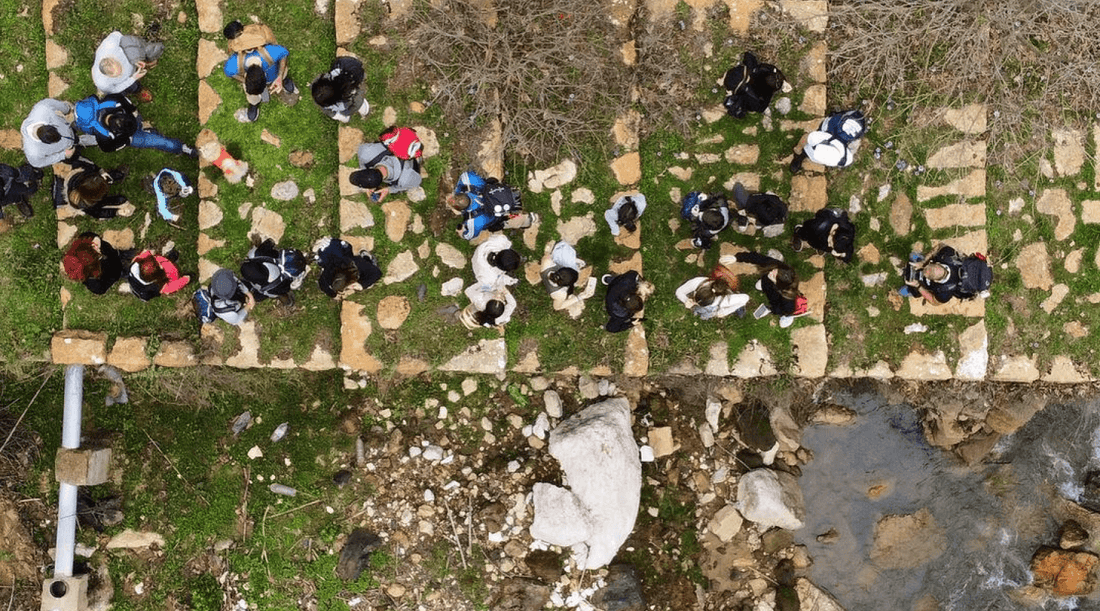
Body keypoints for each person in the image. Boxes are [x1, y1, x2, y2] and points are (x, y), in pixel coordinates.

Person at [74, 93, 197, 157]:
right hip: (130, 138)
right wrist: (127, 140)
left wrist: (133, 112)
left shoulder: (113, 100)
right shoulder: (104, 138)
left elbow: (122, 99)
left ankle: (144, 129)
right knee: (160, 142)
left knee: (155, 139)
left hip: (130, 123)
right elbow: (110, 148)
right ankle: (182, 148)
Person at [222, 20, 295, 122]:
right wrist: (246, 81)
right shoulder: (235, 63)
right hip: (254, 84)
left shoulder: (269, 53)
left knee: (283, 75)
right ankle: (254, 103)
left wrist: (280, 76)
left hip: (274, 76)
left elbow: (284, 54)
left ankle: (284, 80)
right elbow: (229, 72)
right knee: (253, 95)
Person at [449, 171, 537, 241]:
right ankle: (528, 216)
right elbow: (465, 175)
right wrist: (458, 191)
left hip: (500, 215)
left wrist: (461, 232)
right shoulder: (468, 178)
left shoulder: (472, 222)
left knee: (502, 222)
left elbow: (468, 236)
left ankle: (526, 220)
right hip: (501, 193)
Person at [734, 251, 808, 328]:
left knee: (783, 313)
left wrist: (772, 309)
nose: (772, 271)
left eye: (774, 275)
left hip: (778, 300)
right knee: (758, 286)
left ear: (779, 283)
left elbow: (780, 309)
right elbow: (758, 258)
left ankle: (787, 318)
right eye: (776, 271)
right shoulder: (780, 268)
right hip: (772, 287)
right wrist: (737, 257)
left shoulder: (788, 301)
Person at [900, 245, 992, 305]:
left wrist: (918, 286)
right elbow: (939, 247)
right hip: (935, 264)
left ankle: (913, 290)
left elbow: (934, 301)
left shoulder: (945, 292)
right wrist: (923, 262)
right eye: (928, 266)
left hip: (925, 286)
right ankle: (920, 261)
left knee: (901, 292)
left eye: (925, 274)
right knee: (912, 255)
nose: (923, 270)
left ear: (935, 281)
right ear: (938, 263)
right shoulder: (946, 254)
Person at [92, 30, 163, 102]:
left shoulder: (110, 45)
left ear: (112, 60)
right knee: (126, 90)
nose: (122, 73)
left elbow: (123, 39)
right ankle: (137, 90)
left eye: (119, 67)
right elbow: (115, 89)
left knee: (133, 45)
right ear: (109, 76)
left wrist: (135, 59)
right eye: (117, 75)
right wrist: (133, 78)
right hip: (125, 83)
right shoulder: (103, 83)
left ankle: (145, 61)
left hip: (128, 56)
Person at [51, 156, 131, 219]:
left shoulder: (79, 172)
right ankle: (115, 177)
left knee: (102, 175)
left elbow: (88, 165)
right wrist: (117, 212)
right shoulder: (87, 206)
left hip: (77, 180)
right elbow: (98, 213)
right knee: (118, 200)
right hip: (77, 194)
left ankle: (115, 175)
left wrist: (101, 172)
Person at [21, 98, 90, 168]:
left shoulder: (43, 108)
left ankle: (81, 139)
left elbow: (62, 107)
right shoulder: (33, 153)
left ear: (48, 124)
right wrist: (63, 155)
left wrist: (67, 109)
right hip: (66, 149)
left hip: (68, 129)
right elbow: (37, 163)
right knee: (73, 158)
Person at [239, 237, 308, 306]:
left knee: (259, 295)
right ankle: (287, 301)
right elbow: (270, 242)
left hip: (275, 283)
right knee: (263, 293)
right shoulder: (257, 255)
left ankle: (286, 300)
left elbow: (283, 290)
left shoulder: (272, 287)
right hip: (278, 266)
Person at [791, 110, 867, 172]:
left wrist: (798, 148)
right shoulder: (820, 138)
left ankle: (800, 157)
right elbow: (805, 138)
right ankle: (799, 157)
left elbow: (805, 138)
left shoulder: (846, 159)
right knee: (807, 145)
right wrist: (798, 148)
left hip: (836, 132)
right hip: (831, 133)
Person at [350, 137, 422, 203]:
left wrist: (390, 190)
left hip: (410, 165)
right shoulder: (365, 153)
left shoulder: (404, 180)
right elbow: (361, 152)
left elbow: (417, 181)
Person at [62, 232, 134, 294]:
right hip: (116, 271)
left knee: (124, 254)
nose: (97, 248)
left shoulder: (84, 240)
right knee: (133, 271)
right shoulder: (94, 283)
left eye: (92, 247)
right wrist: (115, 273)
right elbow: (103, 288)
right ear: (91, 267)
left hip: (113, 254)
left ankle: (123, 255)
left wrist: (96, 238)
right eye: (96, 253)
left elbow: (88, 234)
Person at [540, 241, 597, 319]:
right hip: (557, 289)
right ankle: (575, 264)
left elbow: (547, 255)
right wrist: (580, 297)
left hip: (553, 270)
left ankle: (573, 263)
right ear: (565, 286)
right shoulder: (560, 294)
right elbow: (557, 307)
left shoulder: (547, 262)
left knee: (562, 251)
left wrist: (547, 250)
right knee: (567, 253)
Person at [312, 237, 382, 298]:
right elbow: (322, 284)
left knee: (369, 270)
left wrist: (362, 285)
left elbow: (377, 273)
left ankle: (367, 258)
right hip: (334, 258)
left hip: (346, 258)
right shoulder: (326, 275)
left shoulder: (357, 263)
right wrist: (333, 295)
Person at [722, 51, 785, 119]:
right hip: (750, 81)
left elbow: (748, 55)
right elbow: (748, 56)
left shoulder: (754, 71)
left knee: (755, 71)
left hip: (748, 80)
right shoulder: (757, 102)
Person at [675, 265, 749, 320]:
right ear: (699, 289)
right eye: (695, 299)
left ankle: (738, 306)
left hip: (723, 300)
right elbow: (679, 291)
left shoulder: (725, 300)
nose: (694, 303)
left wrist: (726, 311)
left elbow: (745, 298)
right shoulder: (696, 282)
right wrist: (686, 300)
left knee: (737, 304)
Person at [311, 56, 369, 122]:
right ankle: (340, 116)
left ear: (336, 100)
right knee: (332, 112)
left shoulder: (351, 91)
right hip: (346, 68)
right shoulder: (325, 80)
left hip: (354, 75)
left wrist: (347, 113)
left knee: (355, 105)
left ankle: (361, 108)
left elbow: (358, 100)